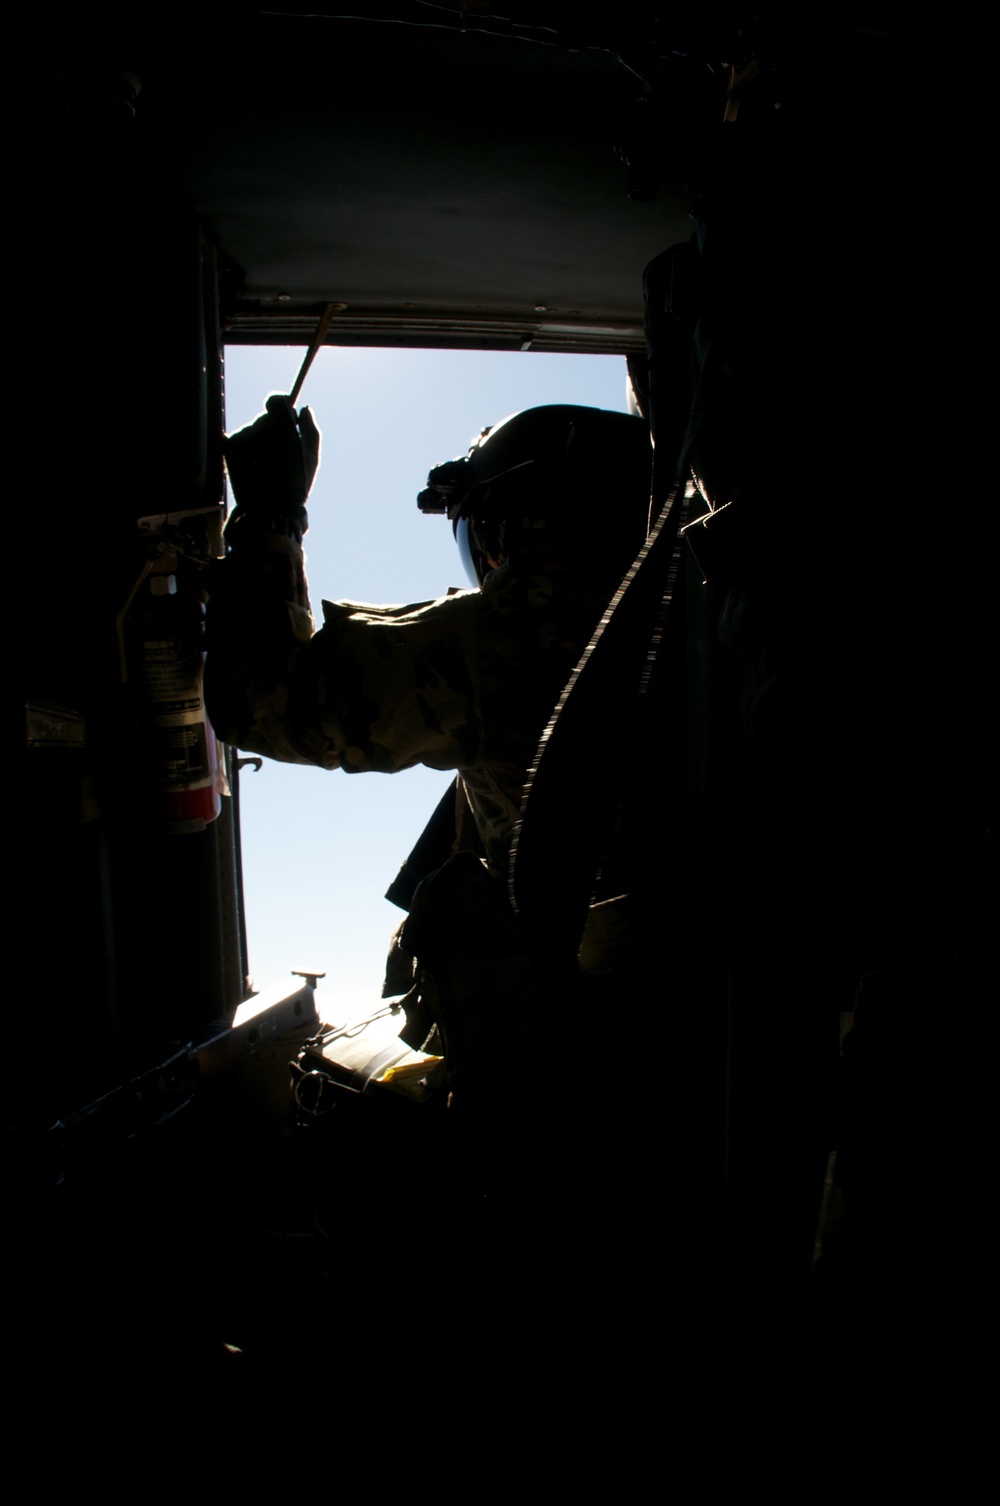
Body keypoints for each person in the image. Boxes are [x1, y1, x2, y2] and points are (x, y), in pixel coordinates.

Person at [206, 396, 653, 1088]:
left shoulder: (518, 636)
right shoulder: (682, 622)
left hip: (561, 1058)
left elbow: (260, 701)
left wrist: (271, 519)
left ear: (520, 521)